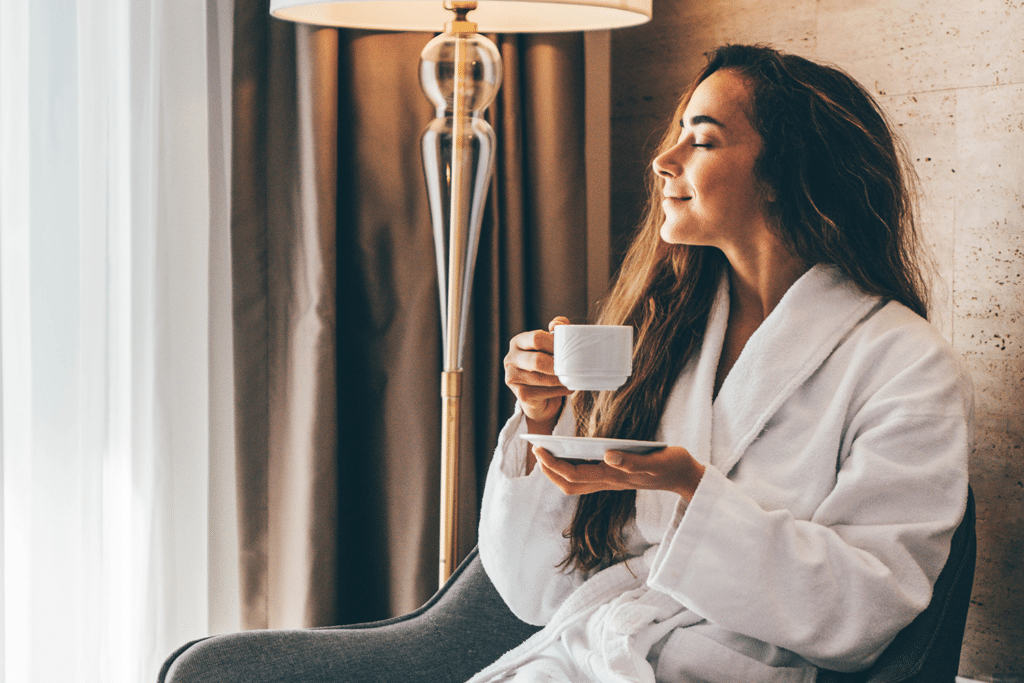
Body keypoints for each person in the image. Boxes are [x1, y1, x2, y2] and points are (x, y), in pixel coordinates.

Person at [469, 44, 972, 683]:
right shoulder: (662, 334)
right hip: (585, 657)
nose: (662, 160)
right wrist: (544, 418)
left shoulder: (905, 363)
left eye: (701, 142)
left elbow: (865, 608)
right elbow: (532, 589)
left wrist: (691, 492)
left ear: (790, 172)